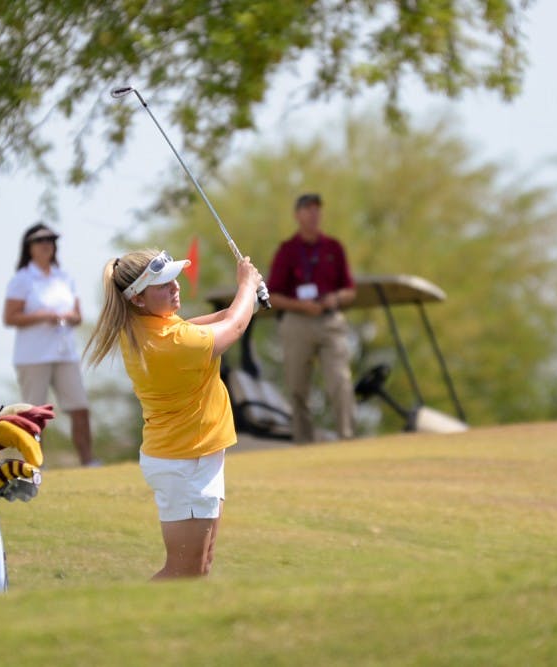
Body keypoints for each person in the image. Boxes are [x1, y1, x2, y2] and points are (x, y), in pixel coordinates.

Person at [85, 248, 262, 579]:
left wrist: (244, 301)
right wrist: (247, 286)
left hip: (195, 457)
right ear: (138, 298)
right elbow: (234, 328)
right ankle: (118, 623)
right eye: (163, 284)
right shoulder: (172, 343)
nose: (175, 286)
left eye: (174, 279)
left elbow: (205, 325)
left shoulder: (148, 325)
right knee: (183, 572)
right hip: (185, 464)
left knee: (200, 566)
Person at [3, 223, 99, 467]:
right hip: (33, 356)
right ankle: (36, 464)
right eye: (41, 240)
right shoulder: (22, 279)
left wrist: (67, 317)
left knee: (80, 407)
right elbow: (10, 317)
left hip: (65, 353)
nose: (47, 244)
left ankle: (87, 461)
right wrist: (43, 315)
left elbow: (78, 316)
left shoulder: (64, 278)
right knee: (34, 414)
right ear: (29, 247)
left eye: (51, 240)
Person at [266, 193, 357, 443]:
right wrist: (301, 306)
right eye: (308, 209)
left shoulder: (333, 248)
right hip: (297, 321)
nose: (313, 214)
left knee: (340, 380)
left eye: (317, 209)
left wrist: (335, 299)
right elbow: (272, 295)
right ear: (297, 215)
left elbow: (349, 290)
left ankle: (347, 437)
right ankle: (303, 443)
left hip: (329, 321)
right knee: (297, 387)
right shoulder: (287, 250)